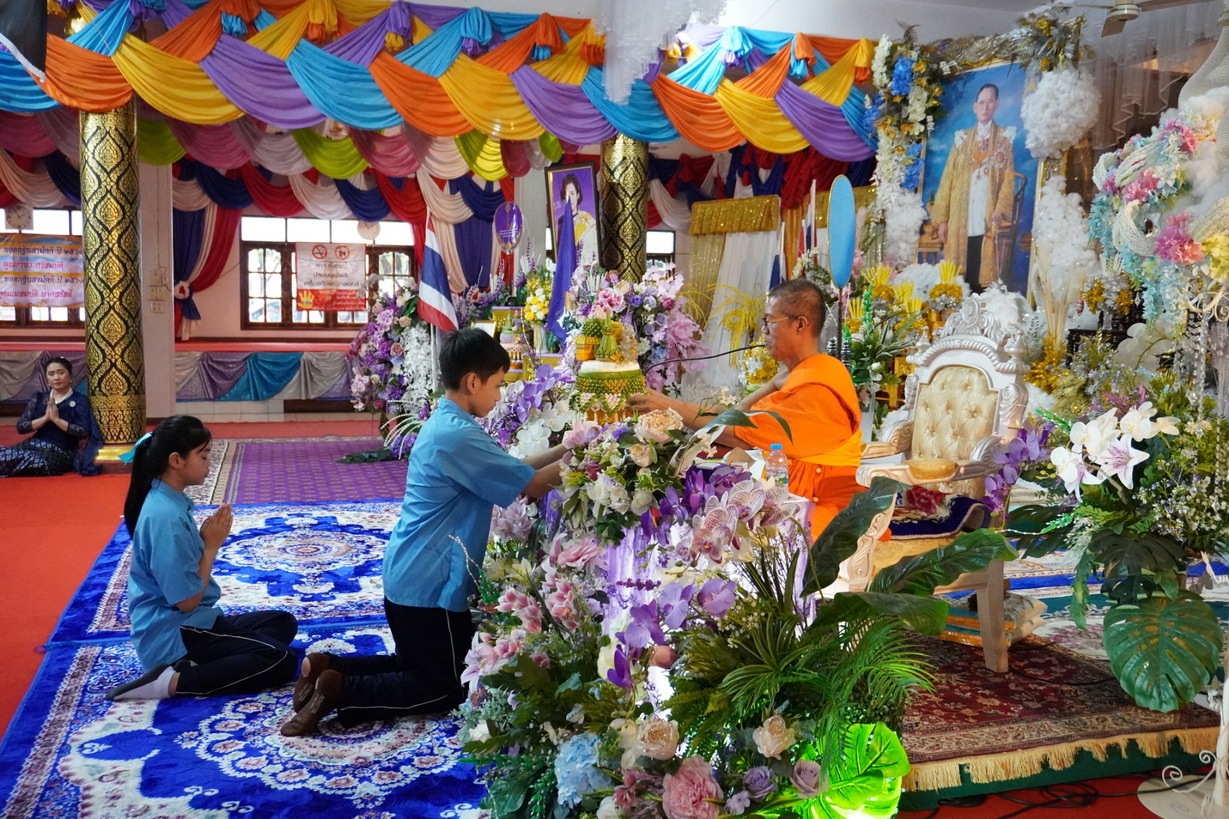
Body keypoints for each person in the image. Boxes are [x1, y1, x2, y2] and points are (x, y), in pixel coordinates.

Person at [281, 328, 566, 736]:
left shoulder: (448, 424)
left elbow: (515, 470)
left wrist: (568, 447)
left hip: (409, 573)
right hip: (432, 584)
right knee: (447, 687)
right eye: (498, 385)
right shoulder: (458, 435)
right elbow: (533, 485)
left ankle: (329, 666)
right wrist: (594, 455)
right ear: (473, 381)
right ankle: (342, 690)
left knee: (413, 665)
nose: (500, 396)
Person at [628, 279, 862, 539]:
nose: (764, 331)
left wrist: (671, 408)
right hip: (783, 492)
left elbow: (740, 432)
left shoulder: (818, 385)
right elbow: (736, 415)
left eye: (769, 322)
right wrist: (770, 385)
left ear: (799, 325)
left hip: (816, 511)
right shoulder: (800, 373)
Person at [106, 415, 298, 701]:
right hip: (174, 632)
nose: (210, 463)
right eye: (204, 456)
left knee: (283, 623)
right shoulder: (165, 518)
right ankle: (170, 682)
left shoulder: (167, 499)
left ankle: (205, 663)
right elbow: (186, 601)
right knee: (281, 660)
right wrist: (210, 546)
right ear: (176, 460)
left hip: (190, 620)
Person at [930, 82, 1017, 294]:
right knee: (959, 276)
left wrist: (1000, 210)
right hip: (961, 216)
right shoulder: (961, 140)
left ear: (997, 104)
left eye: (990, 102)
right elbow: (947, 179)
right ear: (975, 106)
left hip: (986, 215)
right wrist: (942, 220)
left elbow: (1008, 180)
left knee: (981, 272)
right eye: (981, 102)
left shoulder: (1004, 138)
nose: (985, 107)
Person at [0, 357, 101, 477]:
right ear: (47, 379)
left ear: (70, 376)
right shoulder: (39, 398)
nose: (56, 377)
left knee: (31, 461)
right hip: (33, 445)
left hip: (61, 452)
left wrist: (57, 420)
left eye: (61, 373)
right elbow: (21, 427)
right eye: (51, 374)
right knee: (8, 455)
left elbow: (84, 432)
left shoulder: (80, 400)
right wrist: (45, 418)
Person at [558, 173, 598, 269]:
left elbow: (594, 253)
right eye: (567, 194)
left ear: (578, 195)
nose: (570, 199)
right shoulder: (561, 222)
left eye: (572, 194)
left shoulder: (587, 220)